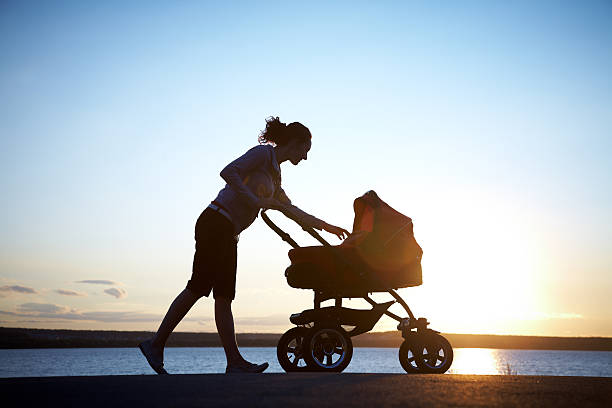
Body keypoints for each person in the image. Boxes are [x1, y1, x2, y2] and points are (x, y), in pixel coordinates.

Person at [139, 116, 349, 374]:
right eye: (305, 150)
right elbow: (228, 172)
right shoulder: (262, 154)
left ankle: (233, 361)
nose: (305, 158)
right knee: (198, 287)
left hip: (228, 232)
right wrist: (255, 201)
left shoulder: (275, 177)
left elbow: (291, 210)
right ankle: (156, 343)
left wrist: (327, 226)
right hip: (215, 221)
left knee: (224, 296)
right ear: (294, 143)